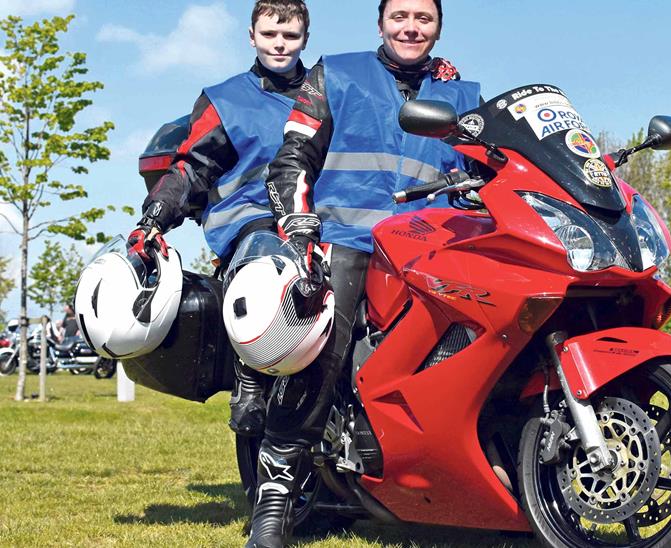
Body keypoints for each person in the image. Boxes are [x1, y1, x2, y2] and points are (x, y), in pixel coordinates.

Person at [245, 1, 481, 545]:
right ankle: (274, 504)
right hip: (347, 240)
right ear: (381, 23)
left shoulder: (464, 95)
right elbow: (290, 160)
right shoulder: (338, 73)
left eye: (423, 18)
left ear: (438, 28)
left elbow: (488, 171)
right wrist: (301, 229)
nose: (411, 27)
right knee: (321, 353)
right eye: (400, 16)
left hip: (433, 250)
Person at [126, 0, 312, 437]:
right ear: (252, 36)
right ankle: (250, 373)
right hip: (253, 221)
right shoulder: (226, 99)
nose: (280, 44)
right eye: (270, 34)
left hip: (320, 219)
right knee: (268, 256)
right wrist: (155, 216)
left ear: (305, 39)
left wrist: (434, 75)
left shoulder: (329, 92)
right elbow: (191, 168)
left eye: (290, 35)